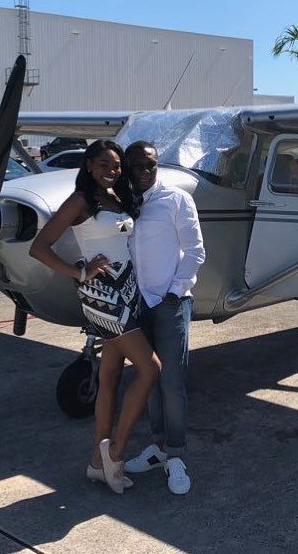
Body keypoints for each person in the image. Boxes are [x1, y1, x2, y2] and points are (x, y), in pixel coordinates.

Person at [29, 139, 160, 495]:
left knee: (111, 375)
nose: (111, 171)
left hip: (128, 290)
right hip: (103, 296)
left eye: (116, 165)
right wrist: (80, 272)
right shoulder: (81, 201)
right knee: (150, 369)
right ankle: (115, 453)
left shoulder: (117, 197)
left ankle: (96, 463)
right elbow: (39, 247)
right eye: (103, 164)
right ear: (88, 166)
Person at [123, 140, 205, 495]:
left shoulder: (176, 199)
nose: (145, 172)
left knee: (171, 382)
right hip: (137, 305)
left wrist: (174, 293)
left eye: (150, 166)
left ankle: (176, 454)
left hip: (169, 303)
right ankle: (157, 446)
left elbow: (196, 251)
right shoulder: (123, 205)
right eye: (137, 166)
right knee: (148, 379)